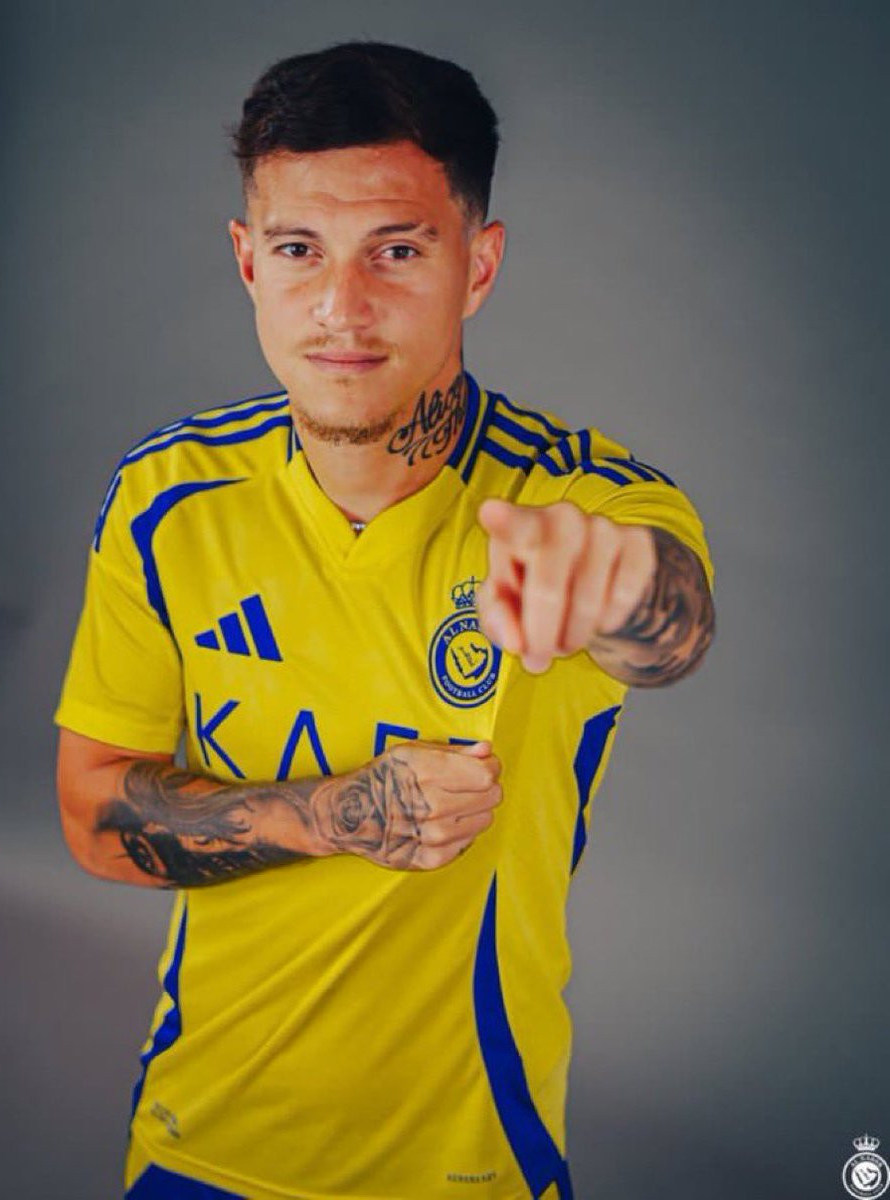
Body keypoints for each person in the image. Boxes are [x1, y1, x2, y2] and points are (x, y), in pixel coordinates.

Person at [53, 40, 716, 1200]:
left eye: (396, 251)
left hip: (467, 1167)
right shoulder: (166, 501)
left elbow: (668, 622)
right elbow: (92, 814)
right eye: (298, 250)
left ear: (478, 264)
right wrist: (336, 814)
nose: (339, 308)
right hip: (196, 1144)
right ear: (246, 261)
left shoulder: (582, 502)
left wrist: (612, 588)